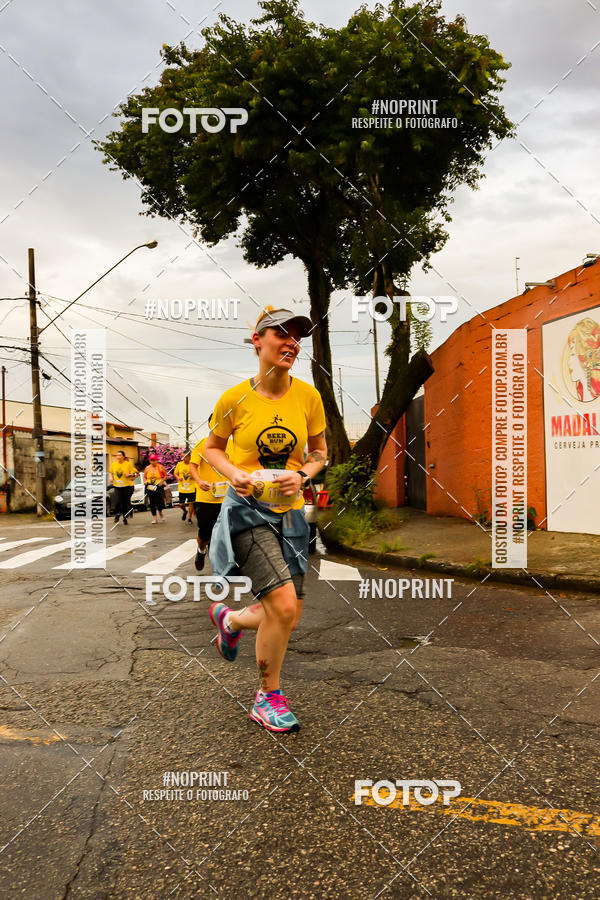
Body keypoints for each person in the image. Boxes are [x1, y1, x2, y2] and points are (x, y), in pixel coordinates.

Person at [204, 307, 327, 734]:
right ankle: (266, 696)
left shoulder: (309, 398)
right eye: (282, 333)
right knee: (283, 605)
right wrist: (234, 473)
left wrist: (303, 474)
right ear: (257, 340)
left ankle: (231, 620)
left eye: (298, 336)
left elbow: (319, 453)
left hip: (292, 516)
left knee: (288, 614)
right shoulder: (234, 398)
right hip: (247, 514)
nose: (292, 342)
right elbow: (212, 448)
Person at [189, 421, 232, 571]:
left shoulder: (234, 445)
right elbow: (192, 466)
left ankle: (222, 562)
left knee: (227, 530)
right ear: (210, 425)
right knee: (205, 532)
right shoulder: (202, 444)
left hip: (228, 497)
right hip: (205, 497)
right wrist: (199, 481)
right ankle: (201, 551)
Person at [109, 450, 138, 526]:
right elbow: (110, 472)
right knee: (118, 501)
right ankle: (117, 515)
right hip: (117, 486)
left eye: (120, 455)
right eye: (117, 455)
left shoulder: (128, 464)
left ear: (123, 457)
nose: (118, 457)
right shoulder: (114, 464)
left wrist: (130, 475)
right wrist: (111, 477)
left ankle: (125, 517)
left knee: (125, 502)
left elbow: (136, 473)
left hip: (127, 486)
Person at [144, 452, 167, 524]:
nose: (153, 462)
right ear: (150, 461)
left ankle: (160, 512)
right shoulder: (147, 468)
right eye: (151, 460)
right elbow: (145, 477)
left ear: (157, 460)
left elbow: (165, 475)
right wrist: (145, 481)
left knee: (159, 502)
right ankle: (155, 518)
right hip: (150, 486)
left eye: (154, 460)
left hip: (158, 486)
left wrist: (162, 481)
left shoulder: (160, 467)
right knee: (152, 503)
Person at [174, 451, 196, 523]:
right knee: (181, 504)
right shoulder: (179, 464)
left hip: (191, 487)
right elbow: (175, 473)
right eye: (182, 456)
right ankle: (185, 511)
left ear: (189, 457)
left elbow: (197, 474)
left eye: (185, 456)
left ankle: (189, 517)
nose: (183, 458)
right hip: (182, 487)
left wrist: (192, 476)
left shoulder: (192, 465)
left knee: (191, 503)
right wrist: (178, 477)